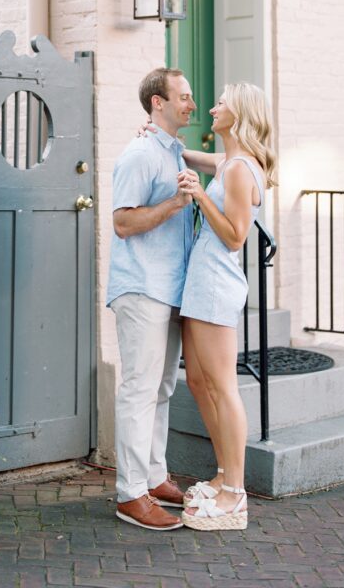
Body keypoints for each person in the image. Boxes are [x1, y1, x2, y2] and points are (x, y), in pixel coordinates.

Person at [176, 82, 276, 532]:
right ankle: (221, 474)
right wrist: (169, 145)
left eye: (221, 104)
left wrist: (198, 195)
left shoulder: (239, 170)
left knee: (222, 386)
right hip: (200, 285)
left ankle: (235, 493)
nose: (212, 108)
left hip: (216, 286)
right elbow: (207, 160)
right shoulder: (231, 162)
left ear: (238, 115)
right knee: (198, 381)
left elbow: (235, 236)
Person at [107, 67, 196, 530]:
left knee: (161, 389)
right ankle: (130, 493)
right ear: (157, 102)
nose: (192, 104)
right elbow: (122, 223)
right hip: (142, 289)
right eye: (183, 96)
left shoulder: (175, 152)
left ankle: (155, 476)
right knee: (139, 391)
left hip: (171, 288)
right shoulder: (140, 154)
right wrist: (175, 206)